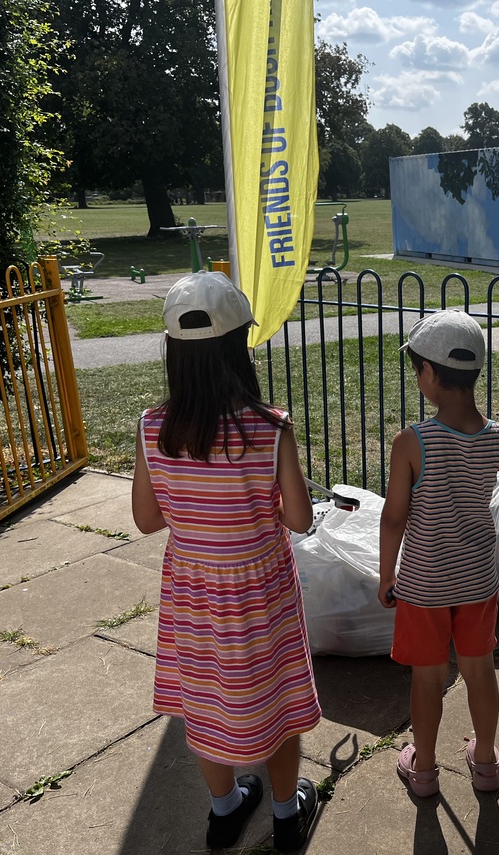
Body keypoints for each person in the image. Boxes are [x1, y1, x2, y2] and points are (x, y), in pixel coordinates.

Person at [131, 270, 320, 851]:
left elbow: (146, 518)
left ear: (173, 352)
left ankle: (224, 809)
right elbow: (300, 518)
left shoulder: (153, 427)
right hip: (260, 594)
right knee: (279, 701)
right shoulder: (270, 428)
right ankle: (287, 814)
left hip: (193, 594)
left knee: (205, 700)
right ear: (240, 348)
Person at [377, 310, 499, 797]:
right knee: (479, 671)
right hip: (476, 583)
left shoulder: (411, 442)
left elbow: (394, 517)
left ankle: (425, 768)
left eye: (417, 369)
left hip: (423, 583)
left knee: (427, 677)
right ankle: (484, 763)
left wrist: (384, 575)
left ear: (430, 375)